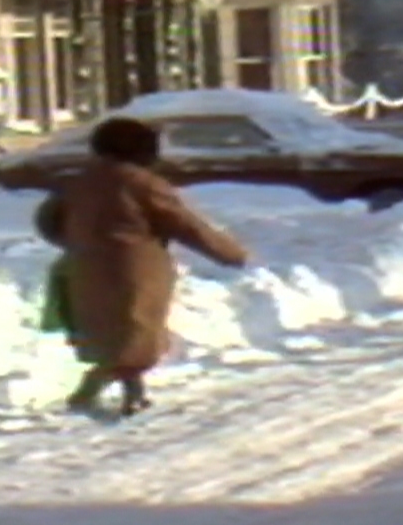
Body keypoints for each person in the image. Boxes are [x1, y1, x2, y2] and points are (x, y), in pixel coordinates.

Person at [35, 117, 249, 416]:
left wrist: (76, 242)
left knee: (111, 333)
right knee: (138, 336)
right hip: (135, 268)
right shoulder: (142, 183)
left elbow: (46, 220)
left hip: (85, 266)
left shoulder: (77, 180)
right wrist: (231, 253)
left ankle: (128, 392)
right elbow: (186, 225)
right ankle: (97, 389)